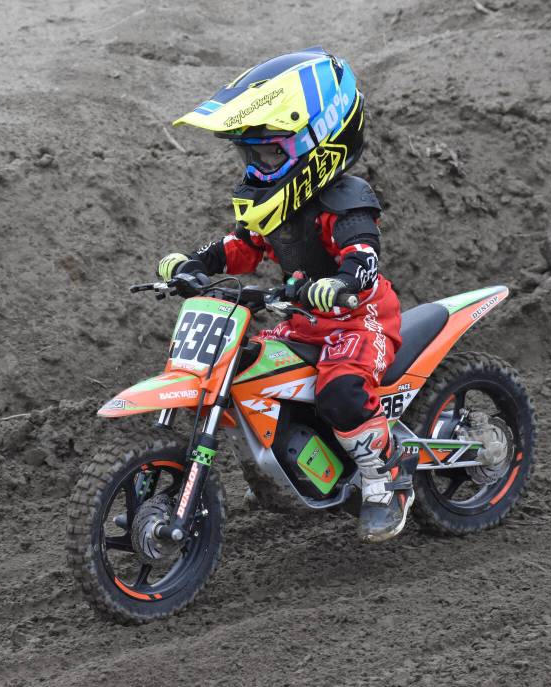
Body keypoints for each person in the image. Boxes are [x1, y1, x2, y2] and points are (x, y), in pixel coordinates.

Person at [157, 48, 410, 542]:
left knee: (340, 391)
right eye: (250, 154)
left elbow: (364, 259)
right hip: (301, 318)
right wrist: (195, 263)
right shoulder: (270, 206)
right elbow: (241, 246)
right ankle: (283, 465)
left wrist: (341, 282)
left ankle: (387, 482)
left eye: (270, 152)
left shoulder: (346, 202)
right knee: (248, 369)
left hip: (359, 322)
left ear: (320, 141)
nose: (256, 165)